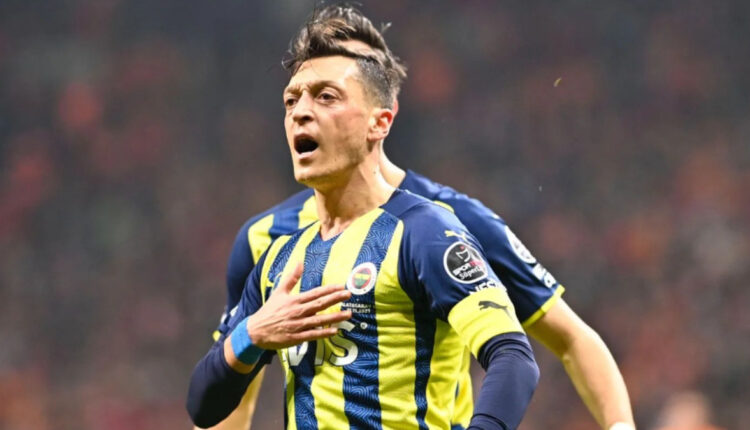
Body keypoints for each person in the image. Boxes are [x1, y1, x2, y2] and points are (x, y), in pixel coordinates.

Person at [198, 5, 635, 430]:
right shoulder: (266, 239)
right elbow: (234, 390)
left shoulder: (449, 222)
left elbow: (568, 339)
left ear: (382, 107)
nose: (306, 106)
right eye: (296, 94)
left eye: (331, 90)